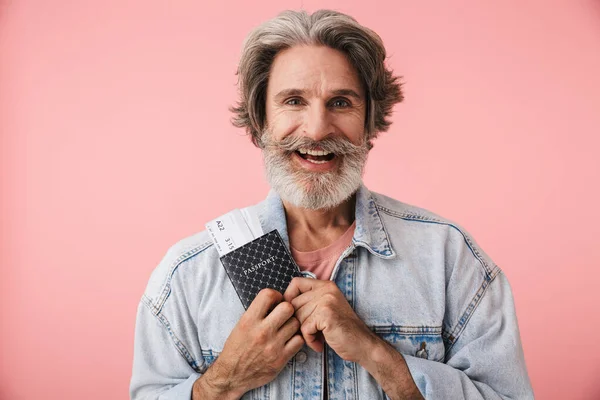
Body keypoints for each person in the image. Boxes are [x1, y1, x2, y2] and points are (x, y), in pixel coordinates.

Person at [129, 9, 533, 400]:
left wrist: (378, 355)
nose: (318, 128)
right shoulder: (186, 277)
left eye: (341, 102)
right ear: (259, 122)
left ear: (370, 122)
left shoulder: (449, 259)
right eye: (293, 101)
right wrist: (221, 383)